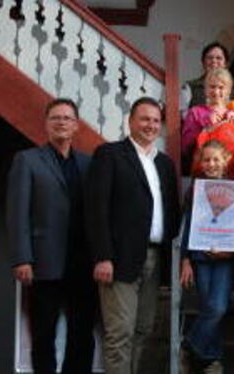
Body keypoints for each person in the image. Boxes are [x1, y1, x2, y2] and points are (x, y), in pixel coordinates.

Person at [86, 97, 180, 374]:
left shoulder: (164, 163)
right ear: (130, 122)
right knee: (120, 333)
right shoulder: (110, 154)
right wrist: (102, 257)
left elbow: (171, 211)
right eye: (144, 119)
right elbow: (96, 210)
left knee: (144, 329)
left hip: (154, 259)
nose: (150, 125)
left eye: (155, 120)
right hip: (118, 259)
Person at [6, 98, 97, 374]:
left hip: (83, 263)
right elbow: (17, 212)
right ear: (46, 124)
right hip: (44, 263)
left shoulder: (89, 163)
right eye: (55, 118)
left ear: (76, 126)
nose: (61, 122)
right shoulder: (27, 160)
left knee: (82, 336)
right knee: (43, 336)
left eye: (67, 118)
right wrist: (22, 258)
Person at [178, 140, 234, 373]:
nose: (211, 164)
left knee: (218, 307)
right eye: (207, 159)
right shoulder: (195, 188)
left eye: (216, 159)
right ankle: (212, 359)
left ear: (226, 160)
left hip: (225, 257)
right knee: (208, 307)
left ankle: (188, 344)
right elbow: (187, 224)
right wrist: (185, 259)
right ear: (201, 162)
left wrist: (232, 249)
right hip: (200, 256)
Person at [181, 68, 234, 175]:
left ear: (228, 90)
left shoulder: (233, 115)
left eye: (221, 87)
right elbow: (185, 146)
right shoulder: (195, 112)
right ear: (205, 89)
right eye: (212, 87)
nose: (216, 91)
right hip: (202, 170)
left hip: (229, 172)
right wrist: (206, 125)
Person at [183, 42, 230, 109]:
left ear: (225, 63)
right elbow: (183, 115)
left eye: (219, 58)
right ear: (203, 62)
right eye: (210, 58)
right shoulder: (190, 87)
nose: (214, 61)